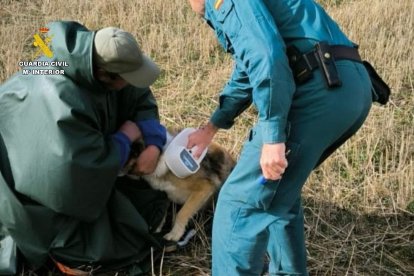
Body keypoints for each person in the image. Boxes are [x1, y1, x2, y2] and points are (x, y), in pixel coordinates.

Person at [186, 0, 373, 275]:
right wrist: (212, 126)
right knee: (278, 192)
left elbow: (266, 56)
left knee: (238, 204)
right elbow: (249, 69)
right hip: (349, 89)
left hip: (316, 92)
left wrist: (273, 137)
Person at [0, 21, 170, 274]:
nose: (132, 82)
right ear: (104, 75)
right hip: (30, 189)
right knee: (110, 242)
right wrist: (124, 137)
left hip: (74, 162)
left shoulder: (93, 61)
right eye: (126, 79)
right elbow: (69, 177)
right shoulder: (59, 99)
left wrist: (154, 143)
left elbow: (137, 94)